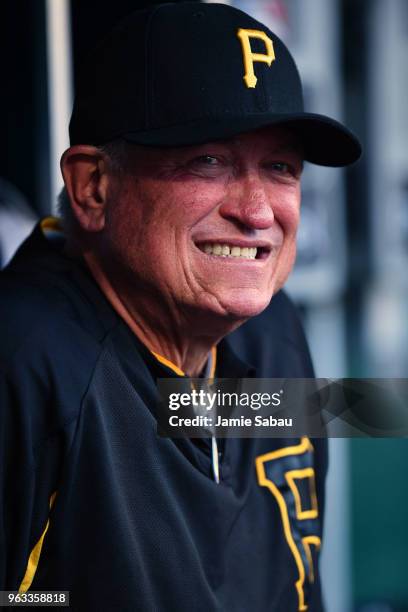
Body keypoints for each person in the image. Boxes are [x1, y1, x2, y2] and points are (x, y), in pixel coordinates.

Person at [0, 2, 361, 611]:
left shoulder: (271, 330)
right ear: (93, 186)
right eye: (208, 160)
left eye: (280, 167)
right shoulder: (26, 361)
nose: (256, 211)